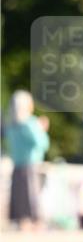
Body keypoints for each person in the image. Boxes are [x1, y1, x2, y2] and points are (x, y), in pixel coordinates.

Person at [5, 90, 50, 230]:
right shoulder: (30, 123)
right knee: (32, 196)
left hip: (17, 163)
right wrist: (42, 129)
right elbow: (42, 143)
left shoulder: (10, 124)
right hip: (31, 163)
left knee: (19, 196)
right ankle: (36, 223)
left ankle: (22, 222)